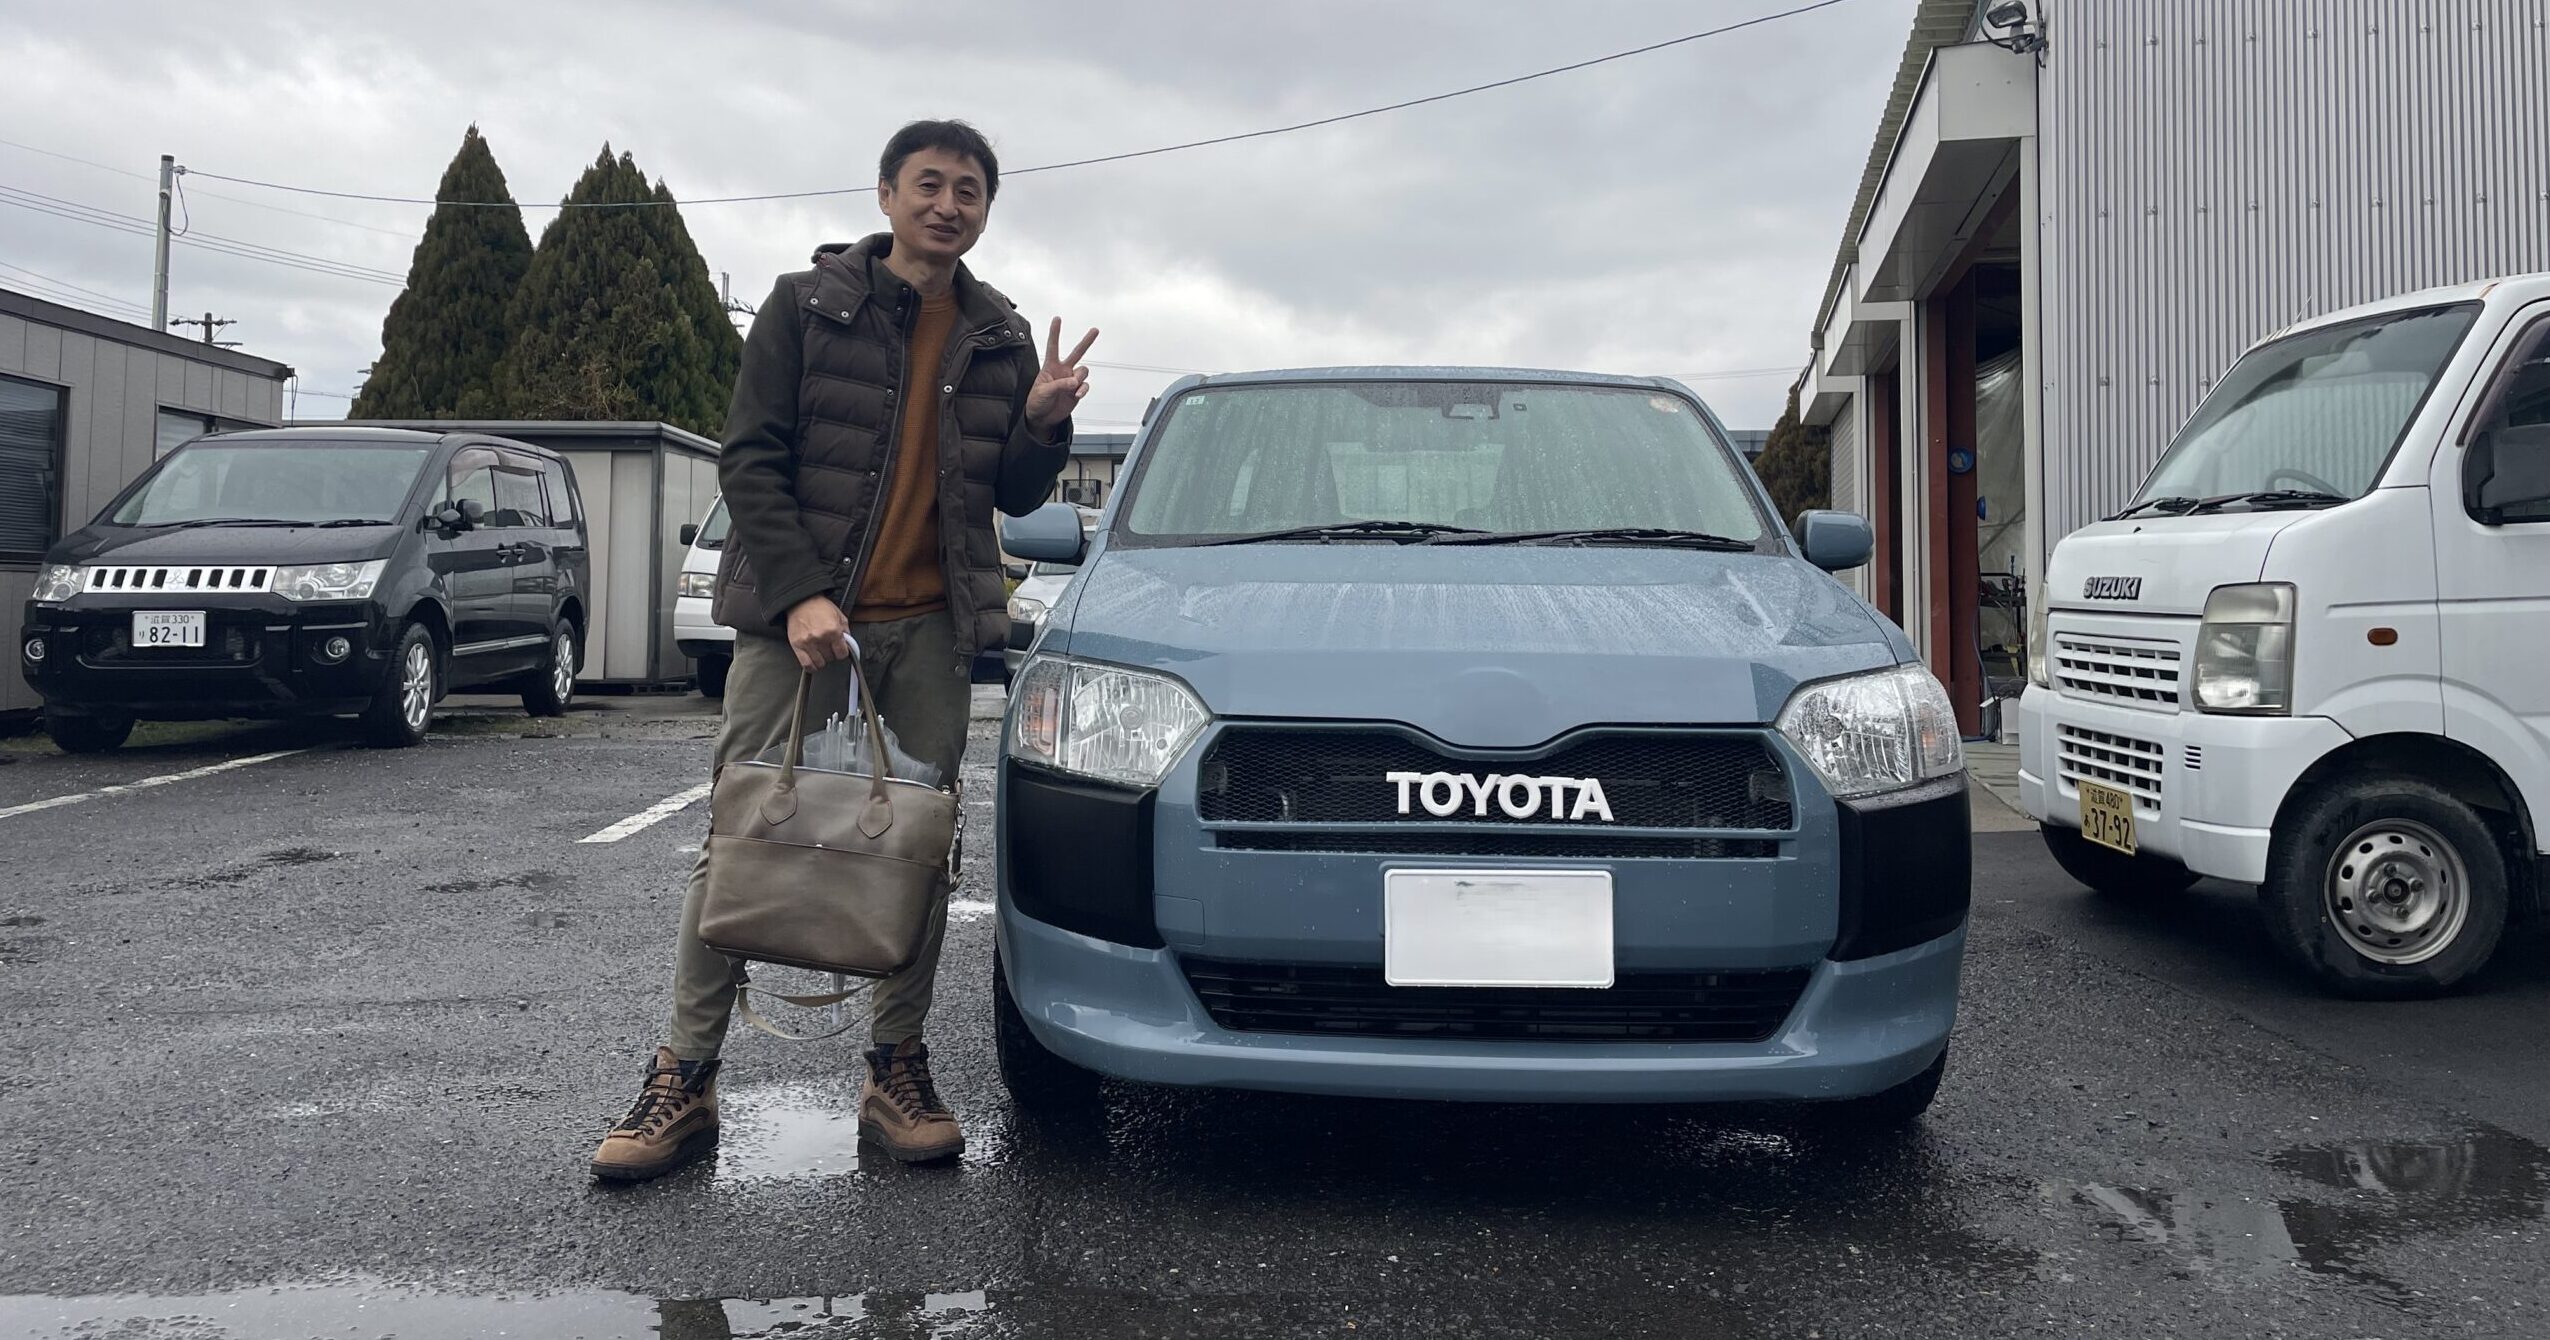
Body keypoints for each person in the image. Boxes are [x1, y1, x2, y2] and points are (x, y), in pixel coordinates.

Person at [591, 119, 1095, 1179]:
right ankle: (685, 1074)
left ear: (985, 210)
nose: (947, 204)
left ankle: (894, 1068)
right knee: (744, 834)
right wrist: (801, 594)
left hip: (932, 630)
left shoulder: (999, 335)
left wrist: (1043, 423)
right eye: (929, 184)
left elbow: (1011, 493)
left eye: (968, 190)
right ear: (885, 195)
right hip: (802, 626)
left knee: (913, 849)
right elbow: (750, 458)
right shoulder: (805, 306)